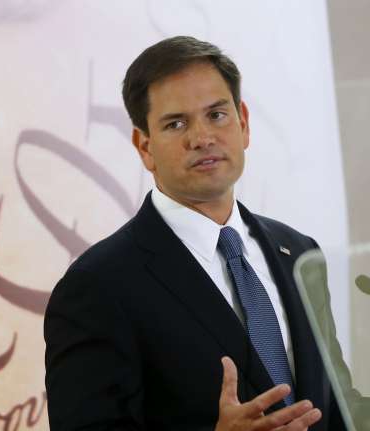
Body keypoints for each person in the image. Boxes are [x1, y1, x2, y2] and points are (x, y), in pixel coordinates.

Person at [44, 36, 350, 430]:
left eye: (217, 115)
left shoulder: (298, 250)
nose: (202, 137)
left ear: (243, 123)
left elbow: (336, 404)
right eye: (176, 123)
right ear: (145, 147)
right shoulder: (97, 286)